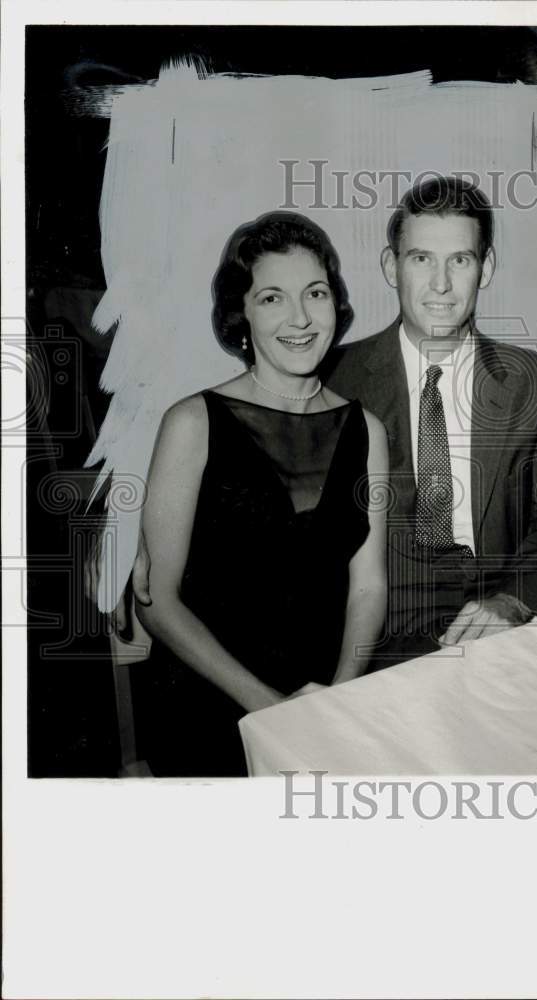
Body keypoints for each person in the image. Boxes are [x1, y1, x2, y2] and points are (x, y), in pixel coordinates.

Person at [130, 211, 388, 776]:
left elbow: (369, 587)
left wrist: (340, 696)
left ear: (335, 305)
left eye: (315, 293)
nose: (300, 318)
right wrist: (270, 712)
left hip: (325, 694)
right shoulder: (192, 423)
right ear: (241, 314)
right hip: (212, 699)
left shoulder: (368, 430)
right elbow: (158, 604)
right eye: (272, 298)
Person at [322, 176, 537, 665]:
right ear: (391, 265)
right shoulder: (333, 383)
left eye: (460, 261)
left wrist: (513, 602)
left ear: (485, 268)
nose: (441, 284)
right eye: (421, 258)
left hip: (502, 625)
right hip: (378, 630)